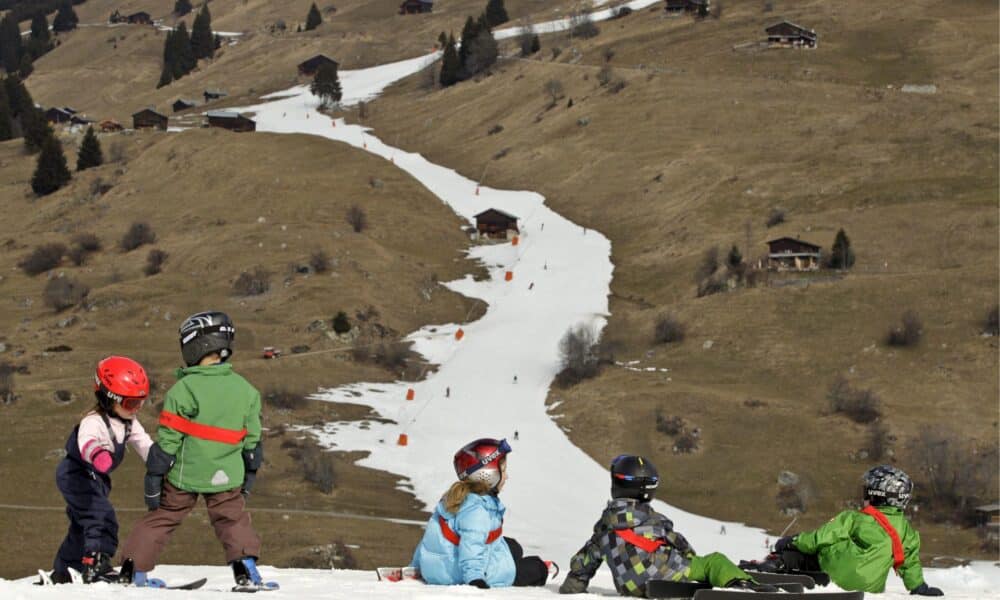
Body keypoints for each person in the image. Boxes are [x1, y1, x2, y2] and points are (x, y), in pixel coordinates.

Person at [118, 311, 267, 589]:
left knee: (163, 516)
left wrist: (154, 474)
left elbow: (169, 440)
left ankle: (132, 571)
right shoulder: (246, 390)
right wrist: (250, 472)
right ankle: (246, 571)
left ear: (195, 345)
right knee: (232, 519)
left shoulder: (183, 390)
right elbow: (252, 440)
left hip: (184, 475)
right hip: (226, 474)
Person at [560, 455, 774, 596]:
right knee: (713, 561)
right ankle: (742, 586)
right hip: (668, 574)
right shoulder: (654, 519)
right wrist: (692, 561)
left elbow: (582, 563)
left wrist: (572, 587)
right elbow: (679, 543)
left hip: (633, 588)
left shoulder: (603, 530)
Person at [47, 356, 154, 584]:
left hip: (96, 478)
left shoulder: (129, 422)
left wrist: (160, 463)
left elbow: (144, 443)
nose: (136, 409)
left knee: (81, 524)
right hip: (76, 474)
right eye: (130, 403)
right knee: (100, 516)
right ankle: (95, 564)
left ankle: (64, 570)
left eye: (140, 402)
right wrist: (98, 454)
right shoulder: (94, 421)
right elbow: (87, 442)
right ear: (108, 398)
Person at [767, 465, 943, 596]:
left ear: (875, 495)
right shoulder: (906, 531)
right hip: (869, 588)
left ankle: (775, 564)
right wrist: (919, 587)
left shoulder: (852, 518)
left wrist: (791, 541)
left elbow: (817, 540)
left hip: (834, 577)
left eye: (866, 491)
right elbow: (909, 562)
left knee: (805, 554)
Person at [410, 438, 554, 589]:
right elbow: (472, 544)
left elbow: (432, 537)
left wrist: (416, 565)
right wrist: (475, 579)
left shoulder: (455, 497)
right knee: (537, 567)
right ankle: (531, 569)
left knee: (513, 547)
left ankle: (501, 560)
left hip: (437, 566)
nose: (506, 476)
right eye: (503, 471)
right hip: (458, 573)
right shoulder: (476, 510)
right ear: (487, 474)